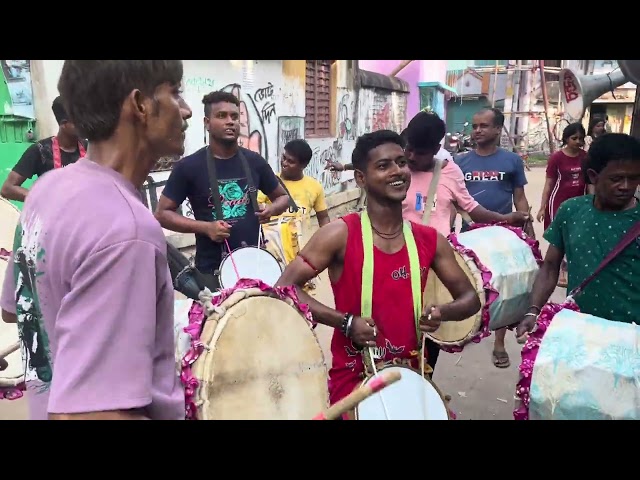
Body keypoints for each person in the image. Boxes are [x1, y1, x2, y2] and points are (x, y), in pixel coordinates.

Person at [0, 60, 192, 420]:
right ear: (140, 105)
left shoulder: (47, 190)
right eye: (175, 92)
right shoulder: (128, 230)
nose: (186, 109)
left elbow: (13, 309)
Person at [274, 130, 482, 410]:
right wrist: (346, 322)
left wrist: (442, 312)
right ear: (361, 178)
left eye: (401, 162)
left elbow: (470, 299)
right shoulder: (339, 234)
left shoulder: (430, 240)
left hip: (411, 375)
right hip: (354, 378)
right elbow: (284, 288)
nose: (397, 171)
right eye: (383, 166)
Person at [155, 91, 289, 286]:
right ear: (207, 123)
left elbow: (282, 197)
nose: (230, 122)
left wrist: (272, 209)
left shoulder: (254, 162)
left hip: (256, 263)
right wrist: (206, 228)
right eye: (222, 116)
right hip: (211, 270)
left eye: (235, 117)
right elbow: (162, 214)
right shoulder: (189, 166)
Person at [516, 132, 640, 337]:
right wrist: (533, 311)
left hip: (631, 338)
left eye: (634, 178)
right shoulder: (570, 211)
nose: (626, 186)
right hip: (578, 332)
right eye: (616, 179)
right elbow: (549, 267)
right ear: (593, 176)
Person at [454, 107, 534, 369]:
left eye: (484, 126)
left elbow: (519, 197)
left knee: (504, 287)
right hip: (471, 237)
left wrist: (526, 224)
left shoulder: (511, 161)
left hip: (504, 235)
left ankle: (499, 342)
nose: (477, 131)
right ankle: (471, 328)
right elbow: (454, 200)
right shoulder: (460, 162)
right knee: (473, 284)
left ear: (498, 129)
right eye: (475, 126)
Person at [402, 111, 531, 237]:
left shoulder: (450, 171)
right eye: (409, 150)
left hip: (438, 250)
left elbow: (470, 207)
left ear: (436, 150)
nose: (412, 157)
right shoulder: (395, 170)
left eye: (420, 153)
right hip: (401, 248)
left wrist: (506, 219)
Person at [1, 96, 87, 202]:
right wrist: (45, 200)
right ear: (64, 124)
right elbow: (8, 189)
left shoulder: (90, 148)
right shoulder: (41, 150)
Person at [536, 122, 587, 288]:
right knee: (559, 237)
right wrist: (542, 207)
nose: (578, 141)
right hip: (557, 202)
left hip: (578, 202)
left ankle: (569, 268)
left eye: (581, 138)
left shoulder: (585, 157)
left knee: (575, 235)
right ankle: (558, 270)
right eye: (574, 138)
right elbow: (549, 184)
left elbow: (590, 182)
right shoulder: (556, 158)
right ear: (566, 138)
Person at [257, 139, 330, 228]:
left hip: (302, 241)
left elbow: (323, 218)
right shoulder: (269, 182)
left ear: (303, 165)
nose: (284, 163)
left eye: (291, 161)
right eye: (284, 158)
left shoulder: (315, 187)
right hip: (273, 240)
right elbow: (256, 211)